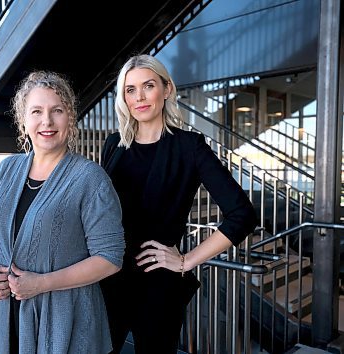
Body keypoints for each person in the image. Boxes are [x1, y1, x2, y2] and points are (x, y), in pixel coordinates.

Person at [100, 54, 258, 353]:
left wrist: (186, 260)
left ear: (167, 89)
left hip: (158, 286)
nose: (139, 97)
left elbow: (243, 214)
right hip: (107, 279)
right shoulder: (114, 145)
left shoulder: (190, 145)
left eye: (148, 86)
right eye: (130, 90)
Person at [0, 70, 125, 354]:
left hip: (64, 318)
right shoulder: (5, 169)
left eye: (57, 110)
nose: (47, 121)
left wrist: (42, 283)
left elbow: (110, 258)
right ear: (24, 119)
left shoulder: (90, 178)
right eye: (36, 111)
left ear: (70, 118)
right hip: (6, 310)